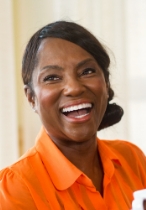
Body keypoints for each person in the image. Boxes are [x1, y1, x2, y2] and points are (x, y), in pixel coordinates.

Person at [0, 21, 146, 210]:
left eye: (87, 71)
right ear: (31, 98)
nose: (74, 88)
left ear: (106, 84)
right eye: (52, 77)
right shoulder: (15, 189)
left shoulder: (131, 159)